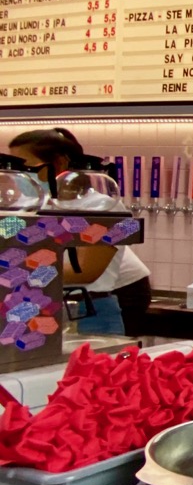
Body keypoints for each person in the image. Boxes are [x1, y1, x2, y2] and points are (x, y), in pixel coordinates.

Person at [8, 127, 152, 336]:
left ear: (59, 163)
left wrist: (17, 270)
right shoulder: (28, 206)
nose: (20, 176)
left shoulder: (105, 208)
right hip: (36, 310)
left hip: (89, 313)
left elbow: (85, 270)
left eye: (26, 167)